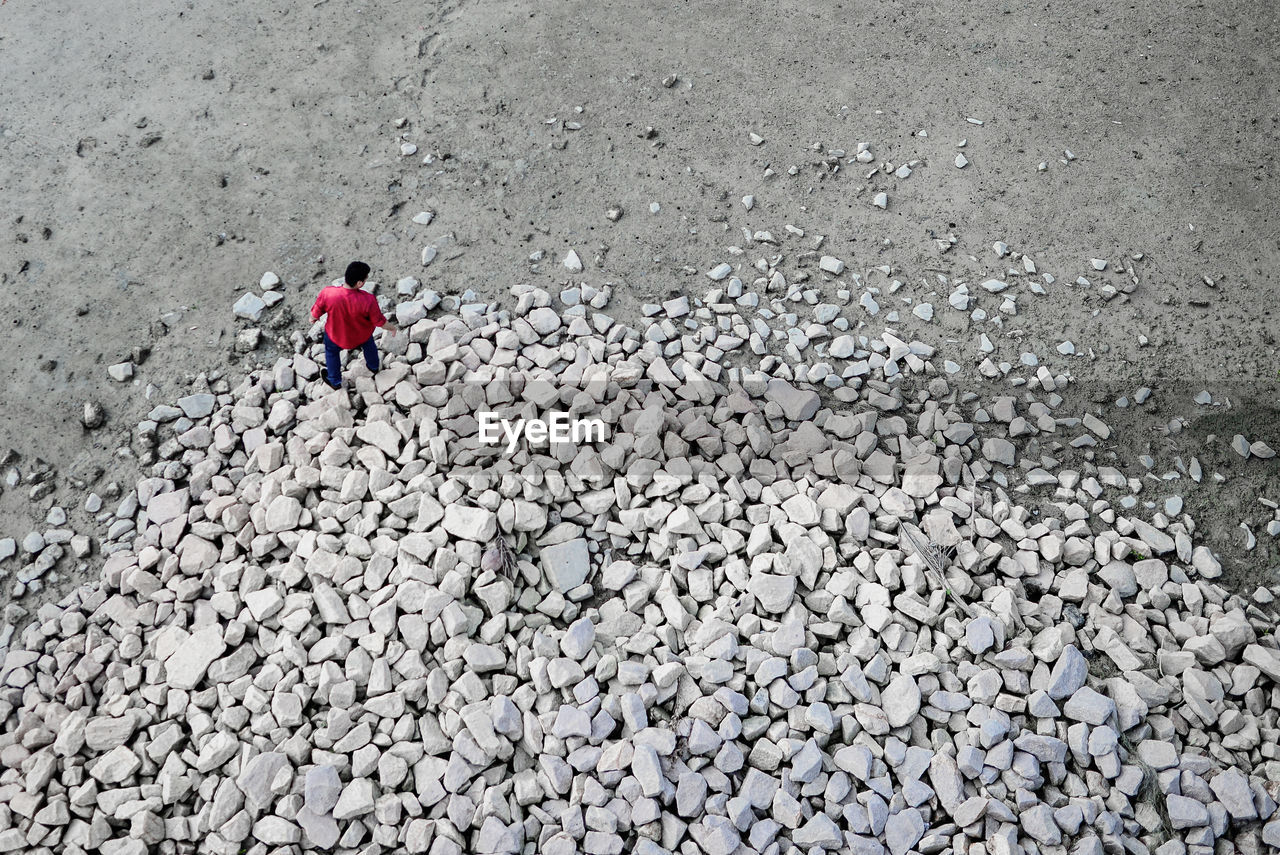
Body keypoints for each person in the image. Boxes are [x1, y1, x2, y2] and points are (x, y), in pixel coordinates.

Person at [310, 261, 397, 389]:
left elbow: (318, 308)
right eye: (366, 278)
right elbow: (379, 321)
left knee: (331, 353)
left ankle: (335, 381)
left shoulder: (329, 293)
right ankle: (373, 367)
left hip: (336, 335)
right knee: (369, 346)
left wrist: (313, 317)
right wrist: (392, 328)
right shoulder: (368, 300)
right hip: (361, 335)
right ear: (359, 283)